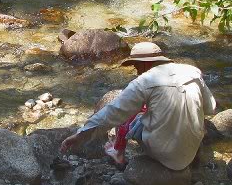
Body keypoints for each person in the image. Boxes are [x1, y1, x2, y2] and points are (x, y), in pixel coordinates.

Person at [60, 42, 216, 173]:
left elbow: (113, 112)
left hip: (163, 155)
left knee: (129, 113)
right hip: (190, 152)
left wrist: (80, 135)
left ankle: (118, 153)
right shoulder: (192, 72)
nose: (136, 70)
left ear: (145, 63)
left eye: (136, 65)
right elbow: (211, 108)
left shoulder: (143, 82)